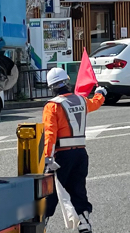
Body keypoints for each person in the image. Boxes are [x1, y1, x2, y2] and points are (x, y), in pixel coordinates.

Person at [43, 67, 106, 233]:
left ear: (52, 87)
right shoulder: (81, 101)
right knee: (78, 189)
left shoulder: (52, 106)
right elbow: (96, 103)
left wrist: (48, 159)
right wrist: (100, 92)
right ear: (66, 82)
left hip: (62, 155)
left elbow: (50, 133)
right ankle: (84, 223)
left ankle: (41, 224)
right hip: (81, 153)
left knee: (53, 191)